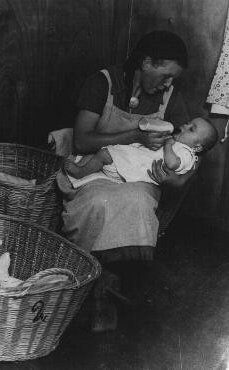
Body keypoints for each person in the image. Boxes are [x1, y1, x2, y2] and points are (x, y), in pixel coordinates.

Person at [56, 30, 210, 331]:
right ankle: (91, 280)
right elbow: (83, 141)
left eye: (173, 79)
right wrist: (136, 135)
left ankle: (106, 286)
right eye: (165, 75)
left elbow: (196, 148)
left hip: (139, 178)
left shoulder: (169, 97)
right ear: (147, 62)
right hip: (94, 169)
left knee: (138, 201)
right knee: (101, 202)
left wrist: (176, 180)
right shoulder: (102, 83)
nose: (169, 84)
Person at [65, 117, 217, 183]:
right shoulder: (179, 144)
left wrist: (168, 145)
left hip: (140, 167)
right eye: (188, 123)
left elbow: (171, 164)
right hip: (138, 162)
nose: (184, 126)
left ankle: (81, 172)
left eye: (191, 129)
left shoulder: (187, 153)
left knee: (105, 154)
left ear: (197, 147)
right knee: (106, 152)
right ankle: (85, 167)